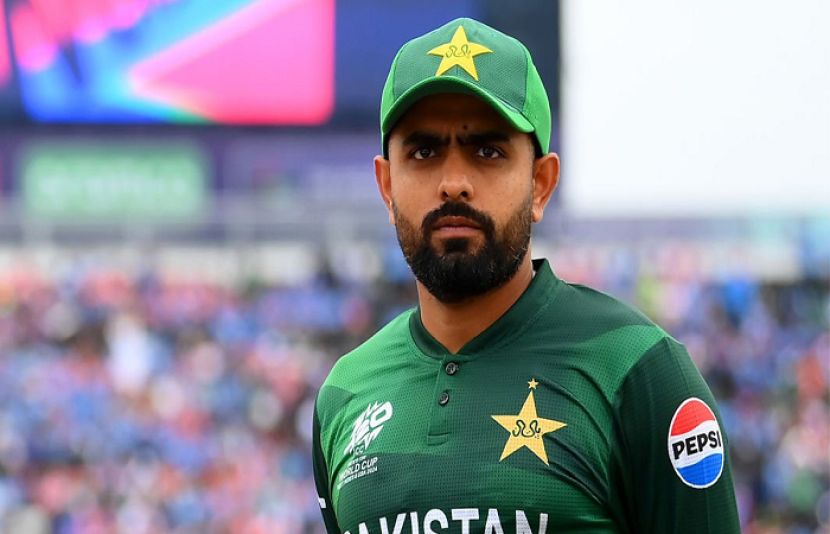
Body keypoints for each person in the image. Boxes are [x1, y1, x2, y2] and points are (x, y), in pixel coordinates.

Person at [313, 17, 741, 534]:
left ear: (541, 183)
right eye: (424, 152)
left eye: (487, 151)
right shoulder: (345, 392)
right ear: (386, 186)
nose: (454, 183)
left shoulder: (637, 370)